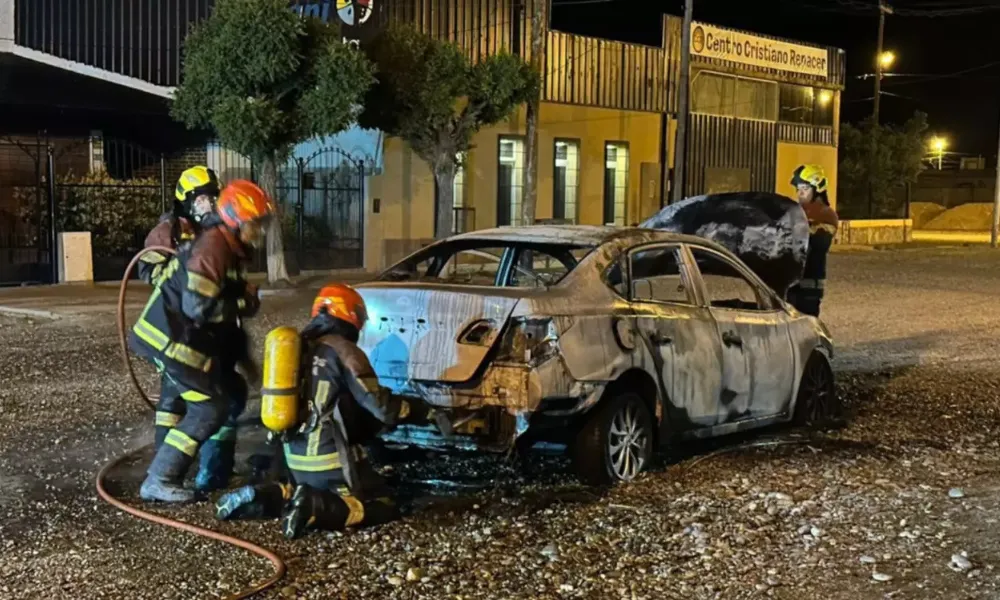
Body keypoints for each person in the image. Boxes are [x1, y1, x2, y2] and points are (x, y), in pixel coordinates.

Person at [214, 284, 411, 539]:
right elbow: (382, 408)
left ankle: (263, 495)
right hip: (331, 461)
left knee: (296, 489)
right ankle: (316, 506)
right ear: (351, 315)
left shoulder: (296, 348)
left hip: (294, 460)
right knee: (382, 504)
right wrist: (415, 409)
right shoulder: (343, 350)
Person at [130, 179, 272, 503]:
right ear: (236, 219)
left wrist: (249, 365)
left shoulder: (228, 247)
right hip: (172, 341)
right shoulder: (213, 248)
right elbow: (198, 308)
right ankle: (161, 477)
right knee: (210, 407)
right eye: (256, 224)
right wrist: (243, 303)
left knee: (230, 391)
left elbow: (226, 316)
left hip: (184, 340)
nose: (260, 232)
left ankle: (212, 470)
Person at [138, 166, 222, 455]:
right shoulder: (168, 230)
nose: (208, 204)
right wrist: (175, 280)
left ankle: (182, 456)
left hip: (197, 323)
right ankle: (167, 459)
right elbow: (146, 268)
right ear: (186, 200)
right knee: (177, 393)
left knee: (186, 388)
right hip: (173, 322)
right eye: (201, 198)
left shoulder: (209, 231)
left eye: (212, 197)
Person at [787, 164, 839, 317]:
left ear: (817, 189)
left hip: (809, 286)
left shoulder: (826, 215)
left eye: (805, 188)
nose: (800, 193)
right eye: (798, 189)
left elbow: (816, 246)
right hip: (791, 283)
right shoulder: (796, 211)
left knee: (806, 328)